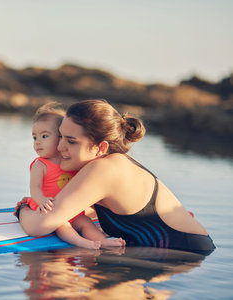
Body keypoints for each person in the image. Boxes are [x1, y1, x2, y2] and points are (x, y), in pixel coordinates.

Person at [16, 99, 215, 255]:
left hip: (185, 255)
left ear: (100, 148)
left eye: (71, 141)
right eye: (60, 137)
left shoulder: (103, 170)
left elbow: (39, 226)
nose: (60, 148)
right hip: (171, 253)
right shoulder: (113, 162)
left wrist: (23, 209)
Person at [27, 102, 125, 249]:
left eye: (44, 136)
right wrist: (41, 201)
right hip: (48, 207)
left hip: (70, 208)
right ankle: (82, 243)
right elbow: (34, 187)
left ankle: (102, 241)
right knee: (62, 225)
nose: (37, 142)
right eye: (35, 138)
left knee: (86, 223)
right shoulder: (40, 164)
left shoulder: (71, 162)